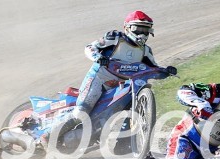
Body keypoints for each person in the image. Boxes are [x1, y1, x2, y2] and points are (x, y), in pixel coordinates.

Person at [52, 10, 161, 141]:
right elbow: (90, 47)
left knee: (118, 113)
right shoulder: (114, 37)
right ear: (126, 27)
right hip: (99, 79)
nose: (142, 34)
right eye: (138, 29)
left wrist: (166, 71)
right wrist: (97, 57)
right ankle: (49, 135)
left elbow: (154, 68)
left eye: (145, 30)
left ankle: (122, 146)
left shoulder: (146, 51)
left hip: (121, 87)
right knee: (81, 112)